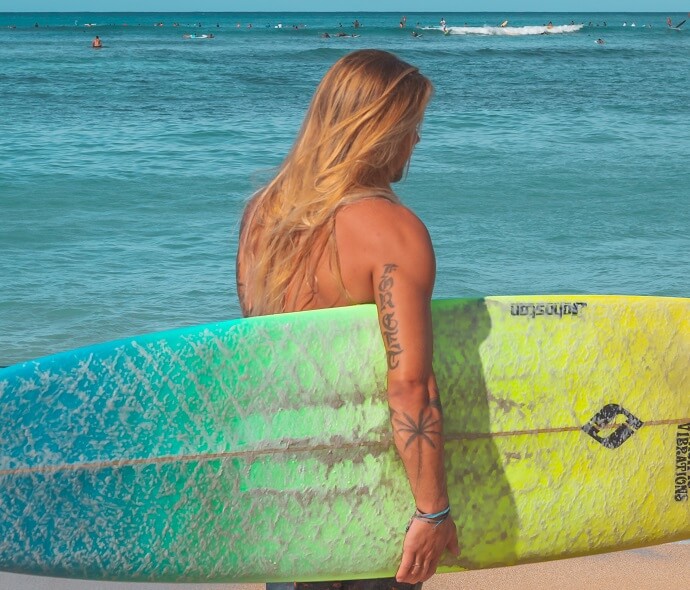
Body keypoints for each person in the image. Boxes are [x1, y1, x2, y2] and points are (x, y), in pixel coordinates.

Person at [236, 49, 459, 590]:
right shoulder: (392, 231)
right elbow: (410, 386)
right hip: (368, 499)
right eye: (412, 126)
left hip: (284, 493)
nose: (418, 141)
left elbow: (264, 350)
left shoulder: (261, 217)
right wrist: (432, 511)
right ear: (381, 130)